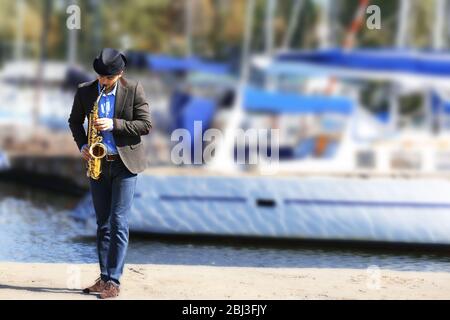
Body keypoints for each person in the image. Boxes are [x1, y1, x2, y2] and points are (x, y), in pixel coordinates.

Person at [68, 48, 151, 299]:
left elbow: (145, 125)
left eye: (108, 79)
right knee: (102, 223)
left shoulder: (134, 89)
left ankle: (113, 282)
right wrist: (83, 145)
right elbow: (74, 121)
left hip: (125, 165)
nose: (103, 82)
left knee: (118, 222)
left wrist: (114, 123)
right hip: (98, 164)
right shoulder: (85, 90)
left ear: (120, 73)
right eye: (100, 77)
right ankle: (104, 278)